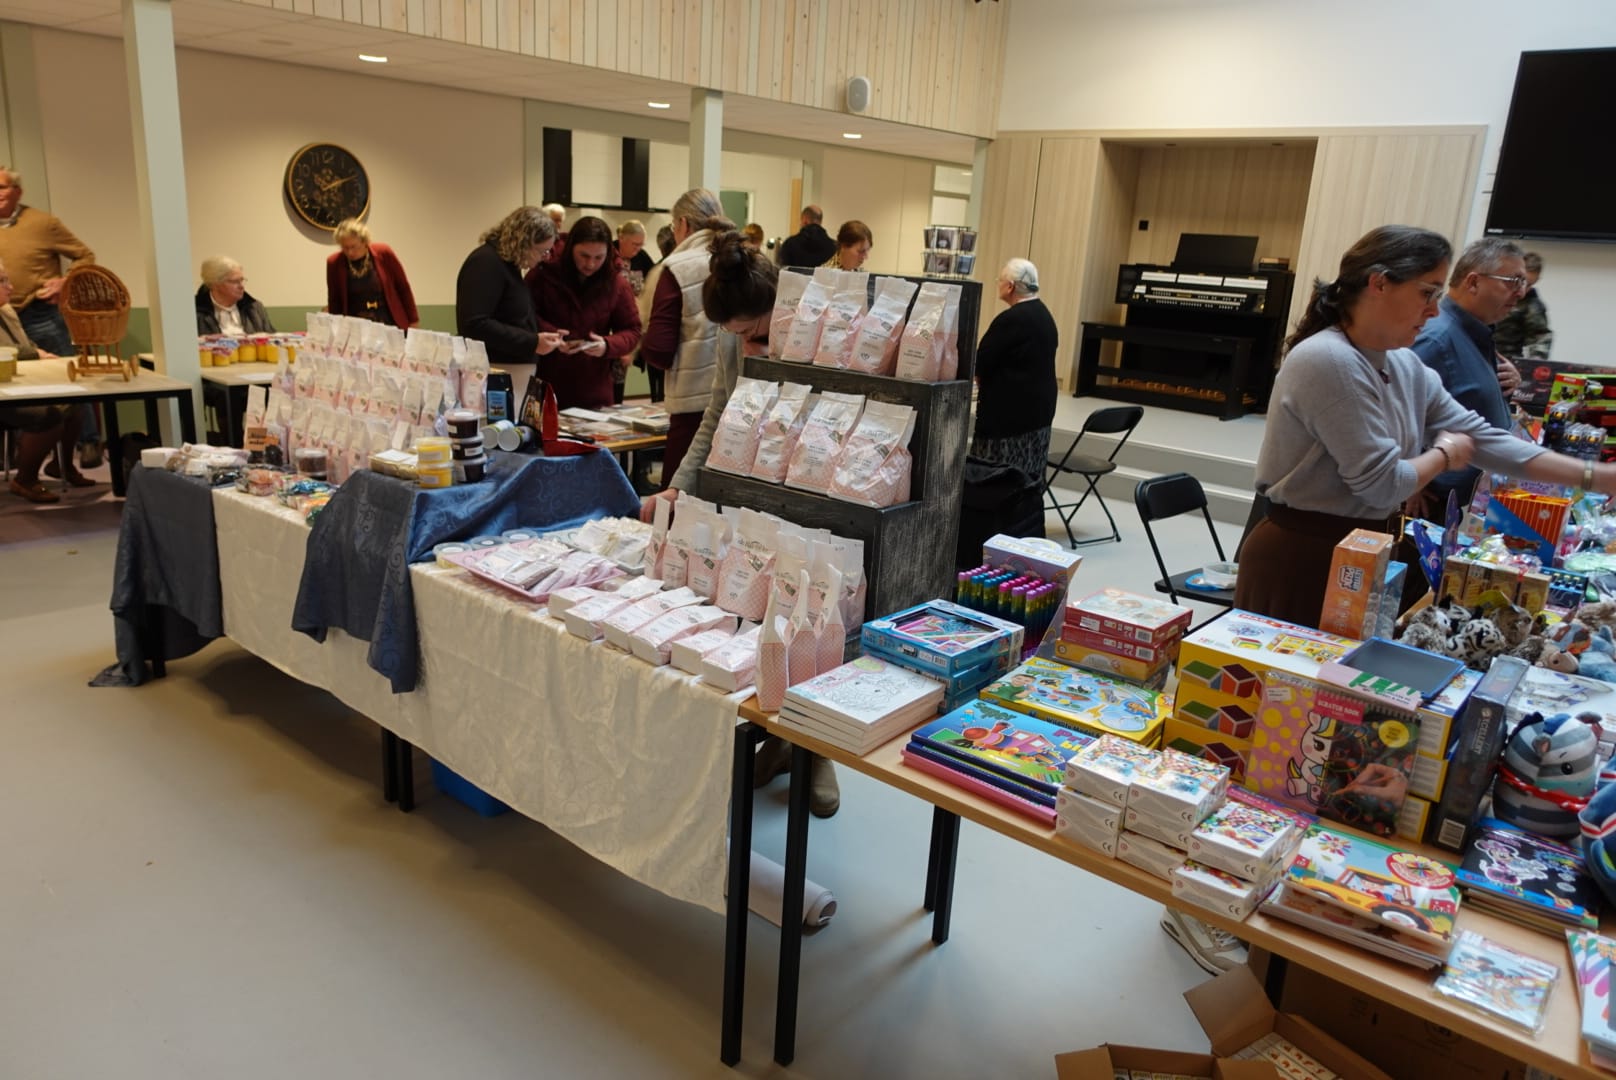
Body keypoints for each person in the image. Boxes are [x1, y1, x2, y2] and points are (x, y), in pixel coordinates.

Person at [1235, 224, 1616, 631]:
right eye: (1427, 293)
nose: (1435, 310)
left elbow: (1485, 438)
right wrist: (1444, 455)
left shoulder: (1402, 363)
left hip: (1361, 549)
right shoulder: (1329, 359)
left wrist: (1594, 476)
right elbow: (1382, 484)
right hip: (1305, 558)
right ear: (1379, 283)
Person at [640, 231, 840, 817]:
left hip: (817, 498)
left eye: (755, 333)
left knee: (813, 621)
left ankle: (818, 753)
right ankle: (778, 737)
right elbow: (717, 417)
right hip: (757, 498)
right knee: (761, 620)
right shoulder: (734, 345)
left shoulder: (819, 334)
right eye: (734, 336)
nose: (746, 346)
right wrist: (679, 484)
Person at [1409, 237, 1529, 511]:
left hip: (1467, 501)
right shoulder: (1437, 338)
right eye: (1513, 281)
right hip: (1432, 505)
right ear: (1473, 282)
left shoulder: (1475, 332)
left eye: (1523, 283)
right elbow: (1396, 414)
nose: (1521, 293)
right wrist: (1410, 483)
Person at [0, 165, 101, 468]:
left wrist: (64, 282)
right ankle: (24, 456)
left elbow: (85, 255)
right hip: (4, 316)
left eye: (1, 188)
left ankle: (88, 443)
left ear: (17, 191)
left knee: (67, 377)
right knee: (15, 386)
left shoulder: (43, 223)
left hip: (39, 312)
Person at [638, 189, 735, 485]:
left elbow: (659, 349)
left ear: (682, 224)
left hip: (693, 403)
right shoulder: (739, 257)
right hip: (741, 396)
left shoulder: (677, 268)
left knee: (681, 495)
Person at [0, 259, 93, 502]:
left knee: (74, 404)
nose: (10, 287)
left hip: (20, 384)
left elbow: (24, 344)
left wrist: (38, 352)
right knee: (47, 415)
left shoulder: (7, 311)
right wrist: (35, 353)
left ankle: (62, 466)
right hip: (4, 394)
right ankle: (25, 480)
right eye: (2, 281)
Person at [527, 215, 642, 411]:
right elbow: (524, 316)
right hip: (546, 383)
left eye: (599, 257)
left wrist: (607, 345)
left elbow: (632, 330)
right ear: (571, 248)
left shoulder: (616, 282)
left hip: (595, 389)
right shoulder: (544, 273)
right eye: (584, 256)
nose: (590, 264)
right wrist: (551, 334)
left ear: (608, 254)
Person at [455, 206, 567, 391]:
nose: (544, 258)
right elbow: (474, 324)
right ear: (524, 243)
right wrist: (532, 342)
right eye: (542, 251)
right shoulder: (486, 263)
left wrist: (542, 336)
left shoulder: (507, 265)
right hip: (496, 371)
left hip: (510, 371)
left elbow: (513, 318)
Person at [971, 258, 1059, 489]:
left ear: (1010, 286)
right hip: (1038, 413)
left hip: (1010, 419)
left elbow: (982, 361)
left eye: (999, 280)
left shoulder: (1011, 319)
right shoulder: (1044, 315)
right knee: (1028, 477)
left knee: (997, 481)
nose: (998, 284)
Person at [325, 218, 418, 328]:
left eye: (354, 247)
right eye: (345, 248)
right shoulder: (334, 263)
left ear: (364, 241)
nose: (350, 252)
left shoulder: (384, 252)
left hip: (388, 322)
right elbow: (334, 300)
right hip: (356, 326)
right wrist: (336, 328)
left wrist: (413, 321)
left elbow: (403, 288)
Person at [1493, 251, 1552, 362]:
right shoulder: (1496, 290)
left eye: (1529, 285)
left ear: (1537, 280)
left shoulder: (1532, 305)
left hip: (1506, 359)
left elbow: (1540, 336)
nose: (1523, 290)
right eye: (1520, 281)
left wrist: (1536, 359)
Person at [195, 257, 274, 336]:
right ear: (214, 284)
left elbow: (272, 338)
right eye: (235, 281)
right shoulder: (196, 310)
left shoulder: (254, 307)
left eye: (242, 280)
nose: (241, 286)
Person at [776, 204, 836, 269]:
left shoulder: (790, 244)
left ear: (805, 220)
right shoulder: (833, 247)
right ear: (820, 221)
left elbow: (783, 271)